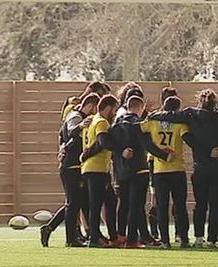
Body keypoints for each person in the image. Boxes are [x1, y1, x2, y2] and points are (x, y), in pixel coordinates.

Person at [147, 89, 218, 248]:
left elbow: (171, 116)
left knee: (200, 205)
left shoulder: (190, 115)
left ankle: (199, 237)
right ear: (215, 103)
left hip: (200, 168)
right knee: (216, 205)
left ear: (199, 100)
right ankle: (212, 239)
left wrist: (154, 115)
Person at [40, 93, 98, 247]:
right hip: (71, 166)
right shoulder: (76, 116)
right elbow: (71, 130)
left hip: (77, 166)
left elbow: (62, 135)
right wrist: (81, 126)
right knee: (73, 203)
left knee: (78, 201)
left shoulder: (80, 117)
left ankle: (52, 228)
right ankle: (70, 239)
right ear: (91, 105)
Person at [140, 96, 191, 249]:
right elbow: (188, 138)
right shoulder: (180, 124)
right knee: (180, 206)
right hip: (177, 169)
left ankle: (165, 241)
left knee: (162, 206)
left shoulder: (153, 122)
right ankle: (184, 239)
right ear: (177, 109)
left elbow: (140, 131)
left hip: (159, 171)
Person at [110, 95, 161, 248]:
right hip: (139, 169)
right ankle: (132, 239)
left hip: (121, 170)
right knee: (136, 205)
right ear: (139, 108)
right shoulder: (139, 125)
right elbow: (148, 144)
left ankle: (121, 235)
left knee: (123, 205)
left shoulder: (115, 125)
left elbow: (111, 146)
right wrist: (164, 155)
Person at [81, 95, 126, 248]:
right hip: (96, 169)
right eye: (114, 109)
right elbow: (102, 142)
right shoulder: (101, 121)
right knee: (96, 204)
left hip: (94, 168)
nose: (114, 113)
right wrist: (120, 149)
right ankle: (94, 238)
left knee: (110, 200)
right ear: (107, 108)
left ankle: (113, 236)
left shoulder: (92, 119)